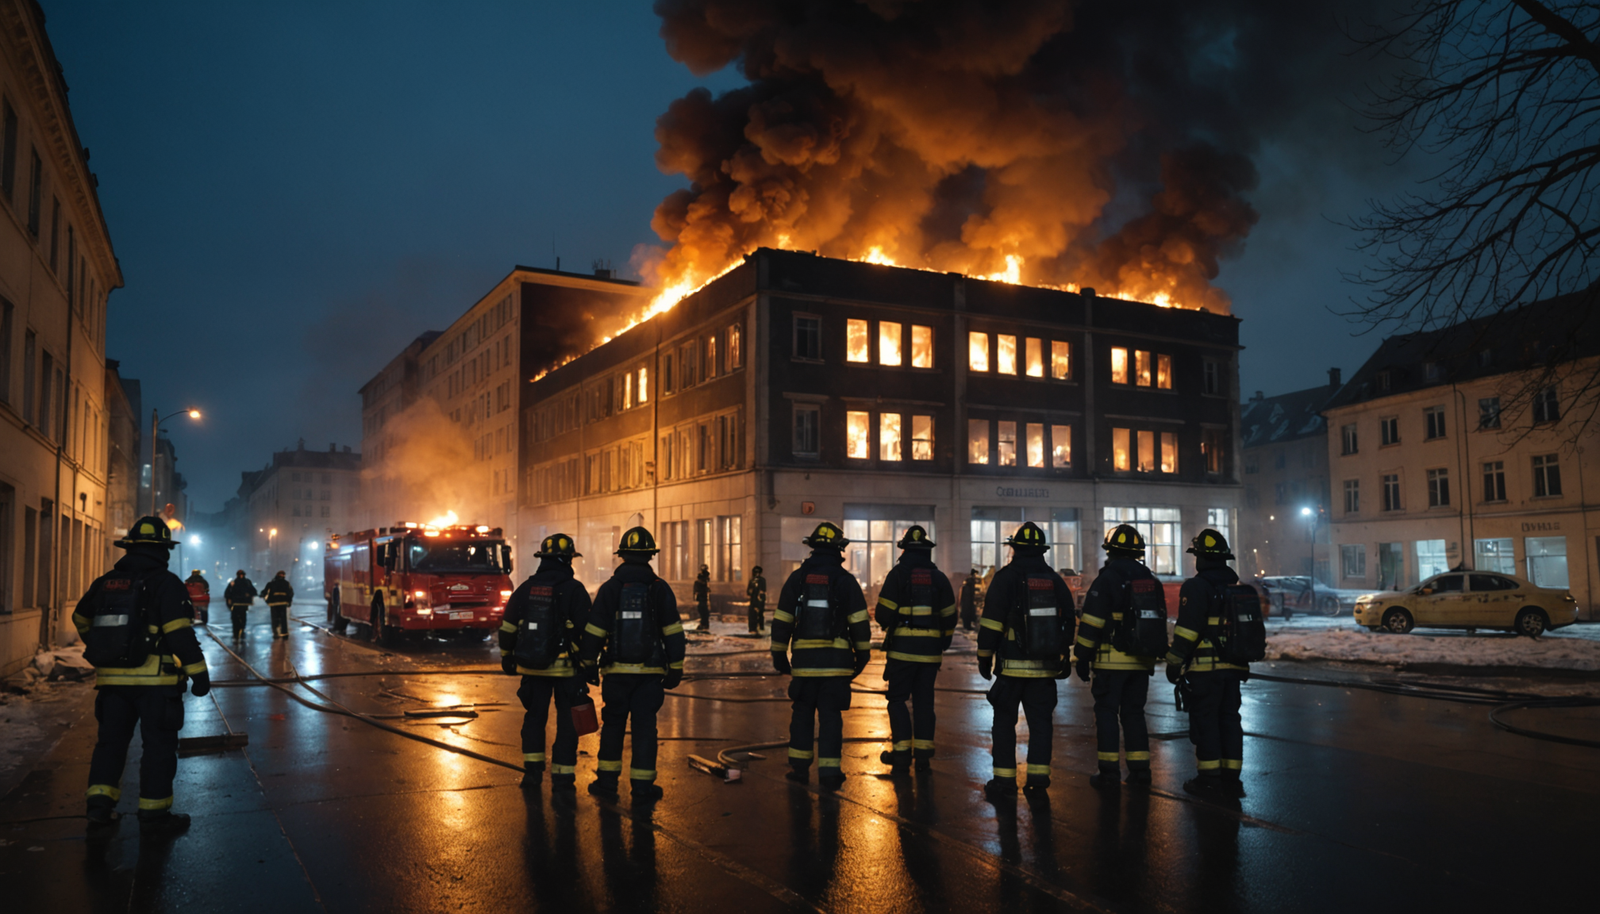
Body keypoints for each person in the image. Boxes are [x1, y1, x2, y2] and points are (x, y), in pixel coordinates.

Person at [74, 516, 209, 831]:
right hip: (155, 685)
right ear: (163, 550)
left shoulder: (105, 582)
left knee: (110, 745)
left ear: (130, 548)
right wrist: (199, 674)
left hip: (111, 684)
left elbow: (80, 619)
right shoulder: (167, 584)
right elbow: (179, 635)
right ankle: (154, 814)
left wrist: (105, 648)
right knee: (158, 748)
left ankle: (98, 808)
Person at [578, 527, 684, 803]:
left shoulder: (610, 588)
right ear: (650, 555)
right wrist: (675, 667)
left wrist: (588, 664)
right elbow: (673, 631)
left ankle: (607, 783)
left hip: (615, 673)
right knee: (645, 728)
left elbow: (594, 631)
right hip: (650, 675)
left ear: (622, 555)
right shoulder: (659, 588)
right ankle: (642, 788)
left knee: (613, 725)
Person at [976, 522, 1074, 799]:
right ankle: (1038, 782)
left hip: (1010, 670)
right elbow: (1068, 620)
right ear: (1042, 550)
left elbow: (992, 623)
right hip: (1044, 671)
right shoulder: (1054, 580)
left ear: (1015, 549)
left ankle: (1004, 782)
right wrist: (1060, 652)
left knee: (1004, 724)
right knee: (1041, 725)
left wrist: (984, 657)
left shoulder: (1004, 578)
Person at [771, 522, 871, 790]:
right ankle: (829, 772)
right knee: (830, 717)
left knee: (802, 715)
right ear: (839, 550)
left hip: (804, 665)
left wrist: (779, 653)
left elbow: (783, 619)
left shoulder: (797, 579)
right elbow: (859, 622)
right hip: (836, 666)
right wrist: (862, 655)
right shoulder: (845, 581)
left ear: (813, 547)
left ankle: (799, 769)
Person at [1074, 524, 1165, 789]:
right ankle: (1140, 771)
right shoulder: (1152, 581)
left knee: (1107, 713)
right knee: (1134, 714)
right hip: (1141, 661)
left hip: (1110, 662)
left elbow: (1091, 622)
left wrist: (1082, 657)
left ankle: (1109, 773)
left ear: (1110, 551)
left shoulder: (1107, 580)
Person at [500, 533, 592, 791]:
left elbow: (507, 627)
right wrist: (589, 663)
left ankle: (532, 773)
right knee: (567, 722)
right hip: (567, 671)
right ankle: (563, 777)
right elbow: (588, 631)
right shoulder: (575, 590)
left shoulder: (525, 589)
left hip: (533, 667)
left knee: (534, 718)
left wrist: (507, 655)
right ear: (567, 560)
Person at [1168, 529, 1251, 798]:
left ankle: (1208, 779)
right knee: (1229, 720)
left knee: (1206, 722)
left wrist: (1174, 662)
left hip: (1205, 671)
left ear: (1202, 558)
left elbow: (1187, 632)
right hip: (1233, 668)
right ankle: (1231, 778)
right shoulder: (1235, 588)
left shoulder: (1196, 587)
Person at [874, 525, 956, 774]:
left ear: (905, 551)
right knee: (924, 703)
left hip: (901, 652)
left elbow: (882, 615)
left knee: (898, 700)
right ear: (927, 552)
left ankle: (901, 756)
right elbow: (950, 617)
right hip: (930, 654)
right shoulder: (939, 578)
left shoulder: (897, 575)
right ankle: (922, 759)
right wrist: (943, 642)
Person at [223, 569, 257, 640]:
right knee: (239, 618)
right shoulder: (246, 582)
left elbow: (227, 593)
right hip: (239, 603)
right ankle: (239, 630)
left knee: (239, 618)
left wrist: (230, 600)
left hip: (239, 604)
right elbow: (254, 591)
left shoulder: (234, 583)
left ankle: (238, 630)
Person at [262, 570, 294, 640]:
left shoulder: (271, 583)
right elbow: (290, 593)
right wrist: (289, 601)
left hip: (273, 603)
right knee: (283, 619)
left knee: (274, 619)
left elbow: (265, 593)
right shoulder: (286, 583)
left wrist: (267, 600)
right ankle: (284, 633)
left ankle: (275, 632)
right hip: (283, 603)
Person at [746, 565, 768, 633]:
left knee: (760, 613)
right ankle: (752, 628)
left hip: (760, 600)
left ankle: (761, 627)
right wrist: (751, 590)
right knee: (752, 614)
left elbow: (763, 590)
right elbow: (748, 591)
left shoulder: (762, 580)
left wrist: (761, 597)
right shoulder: (751, 581)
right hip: (753, 600)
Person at [693, 564, 712, 631]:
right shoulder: (701, 580)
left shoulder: (704, 579)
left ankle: (704, 623)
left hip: (703, 597)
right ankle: (704, 623)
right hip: (702, 597)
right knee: (702, 609)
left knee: (703, 610)